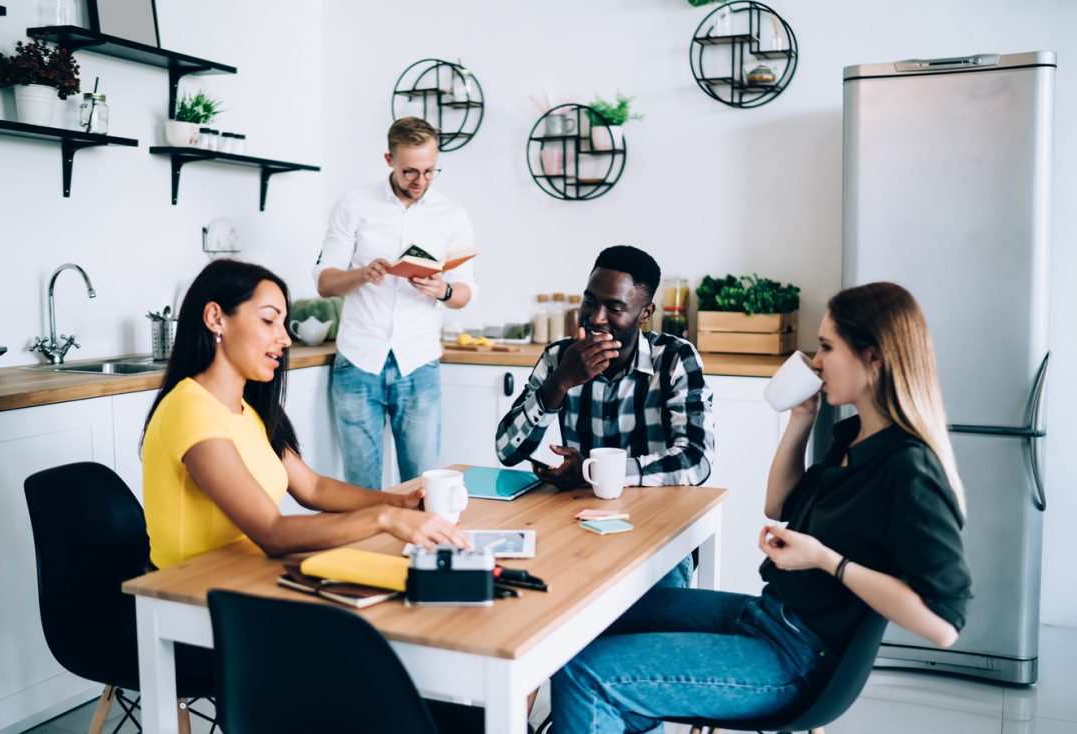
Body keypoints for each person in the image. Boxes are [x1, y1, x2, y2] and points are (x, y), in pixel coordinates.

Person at [549, 282, 973, 733]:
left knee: (585, 674)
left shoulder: (910, 469)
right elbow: (778, 504)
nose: (814, 362)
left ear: (874, 359)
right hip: (770, 617)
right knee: (590, 619)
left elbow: (943, 625)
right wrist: (801, 420)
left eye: (827, 348)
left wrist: (827, 561)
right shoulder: (856, 438)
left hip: (796, 658)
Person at [141, 259, 467, 570]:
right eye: (269, 320)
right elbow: (271, 532)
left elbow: (313, 488)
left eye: (283, 323)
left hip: (244, 574)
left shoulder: (250, 410)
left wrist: (400, 504)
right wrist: (385, 518)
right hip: (187, 594)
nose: (284, 339)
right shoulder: (190, 409)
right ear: (215, 318)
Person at [494, 245, 714, 588]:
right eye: (590, 301)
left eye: (614, 307)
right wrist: (559, 383)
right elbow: (507, 451)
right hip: (577, 525)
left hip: (656, 530)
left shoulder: (674, 358)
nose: (596, 317)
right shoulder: (559, 358)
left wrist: (591, 472)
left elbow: (695, 460)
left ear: (645, 312)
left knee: (651, 618)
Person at [314, 116, 476, 489]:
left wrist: (444, 291)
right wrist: (362, 275)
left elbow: (465, 291)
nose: (420, 181)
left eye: (430, 171)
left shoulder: (452, 215)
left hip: (418, 363)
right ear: (389, 160)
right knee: (360, 490)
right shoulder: (353, 205)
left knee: (421, 486)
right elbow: (325, 282)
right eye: (409, 172)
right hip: (358, 361)